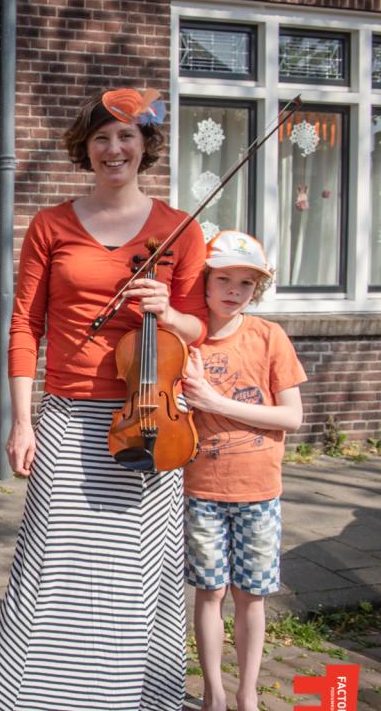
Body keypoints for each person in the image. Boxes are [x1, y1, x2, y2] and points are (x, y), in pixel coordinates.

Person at [0, 88, 209, 711]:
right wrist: (22, 423)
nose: (113, 148)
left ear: (145, 145)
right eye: (101, 137)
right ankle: (34, 695)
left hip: (151, 420)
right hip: (69, 414)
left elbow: (201, 325)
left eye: (126, 136)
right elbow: (24, 326)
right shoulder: (52, 224)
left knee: (135, 571)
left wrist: (167, 312)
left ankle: (131, 695)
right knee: (53, 562)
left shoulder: (181, 228)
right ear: (86, 148)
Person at [181, 230, 305, 711]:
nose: (233, 290)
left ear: (257, 290)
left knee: (251, 597)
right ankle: (213, 692)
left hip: (259, 491)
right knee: (209, 593)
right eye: (224, 279)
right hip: (202, 490)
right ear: (206, 282)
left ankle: (247, 693)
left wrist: (215, 401)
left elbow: (290, 417)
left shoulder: (268, 337)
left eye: (245, 283)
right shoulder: (188, 341)